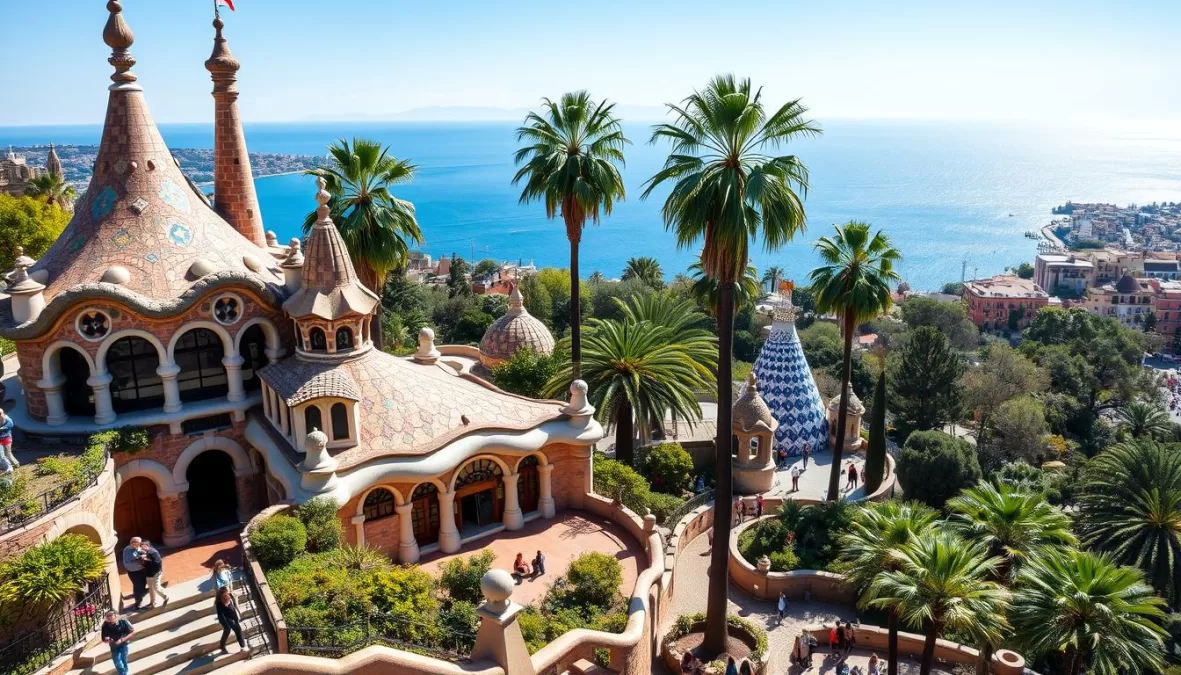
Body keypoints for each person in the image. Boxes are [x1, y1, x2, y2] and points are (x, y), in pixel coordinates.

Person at [101, 610, 135, 675]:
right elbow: (103, 639)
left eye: (111, 616)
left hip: (123, 644)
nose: (109, 618)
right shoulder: (105, 625)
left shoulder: (123, 621)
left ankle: (124, 672)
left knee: (123, 659)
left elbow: (132, 631)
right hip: (113, 646)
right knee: (116, 661)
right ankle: (122, 672)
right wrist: (107, 640)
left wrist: (122, 640)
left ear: (115, 615)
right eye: (107, 617)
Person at [214, 586, 247, 652]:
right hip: (227, 618)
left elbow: (234, 605)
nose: (229, 591)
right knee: (236, 630)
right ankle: (243, 647)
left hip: (234, 616)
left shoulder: (230, 596)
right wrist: (226, 624)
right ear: (224, 593)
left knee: (235, 630)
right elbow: (221, 615)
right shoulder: (220, 602)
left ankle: (222, 645)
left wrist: (238, 611)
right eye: (227, 591)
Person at [140, 539, 169, 607]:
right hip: (148, 573)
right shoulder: (145, 553)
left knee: (156, 587)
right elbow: (146, 563)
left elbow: (157, 563)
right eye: (141, 547)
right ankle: (152, 602)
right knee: (151, 588)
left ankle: (166, 597)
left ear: (147, 546)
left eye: (143, 546)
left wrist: (146, 559)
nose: (142, 548)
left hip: (156, 573)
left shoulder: (153, 552)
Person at [122, 537, 147, 609]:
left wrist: (144, 552)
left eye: (139, 543)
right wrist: (141, 557)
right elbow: (134, 558)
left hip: (140, 569)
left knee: (143, 583)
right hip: (134, 571)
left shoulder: (136, 548)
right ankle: (138, 603)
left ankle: (141, 593)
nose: (138, 545)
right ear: (132, 543)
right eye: (136, 543)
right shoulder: (128, 550)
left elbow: (140, 551)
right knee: (138, 585)